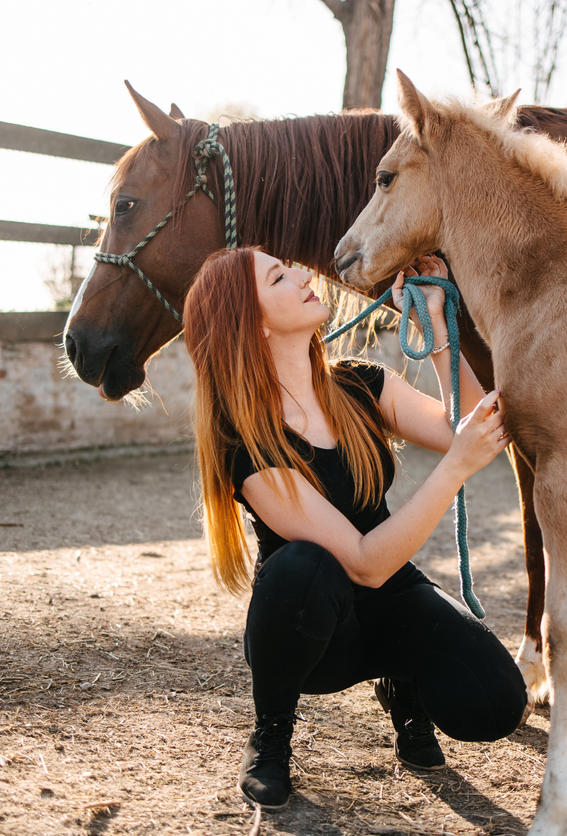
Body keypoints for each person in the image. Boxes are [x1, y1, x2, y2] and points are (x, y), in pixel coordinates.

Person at [182, 246, 527, 811]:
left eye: (289, 267)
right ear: (254, 324)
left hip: (391, 599)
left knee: (495, 705)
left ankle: (402, 682)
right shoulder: (243, 440)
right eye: (279, 277)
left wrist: (436, 320)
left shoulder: (361, 384)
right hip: (314, 627)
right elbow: (364, 560)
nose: (301, 276)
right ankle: (271, 736)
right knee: (301, 563)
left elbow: (464, 425)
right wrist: (458, 465)